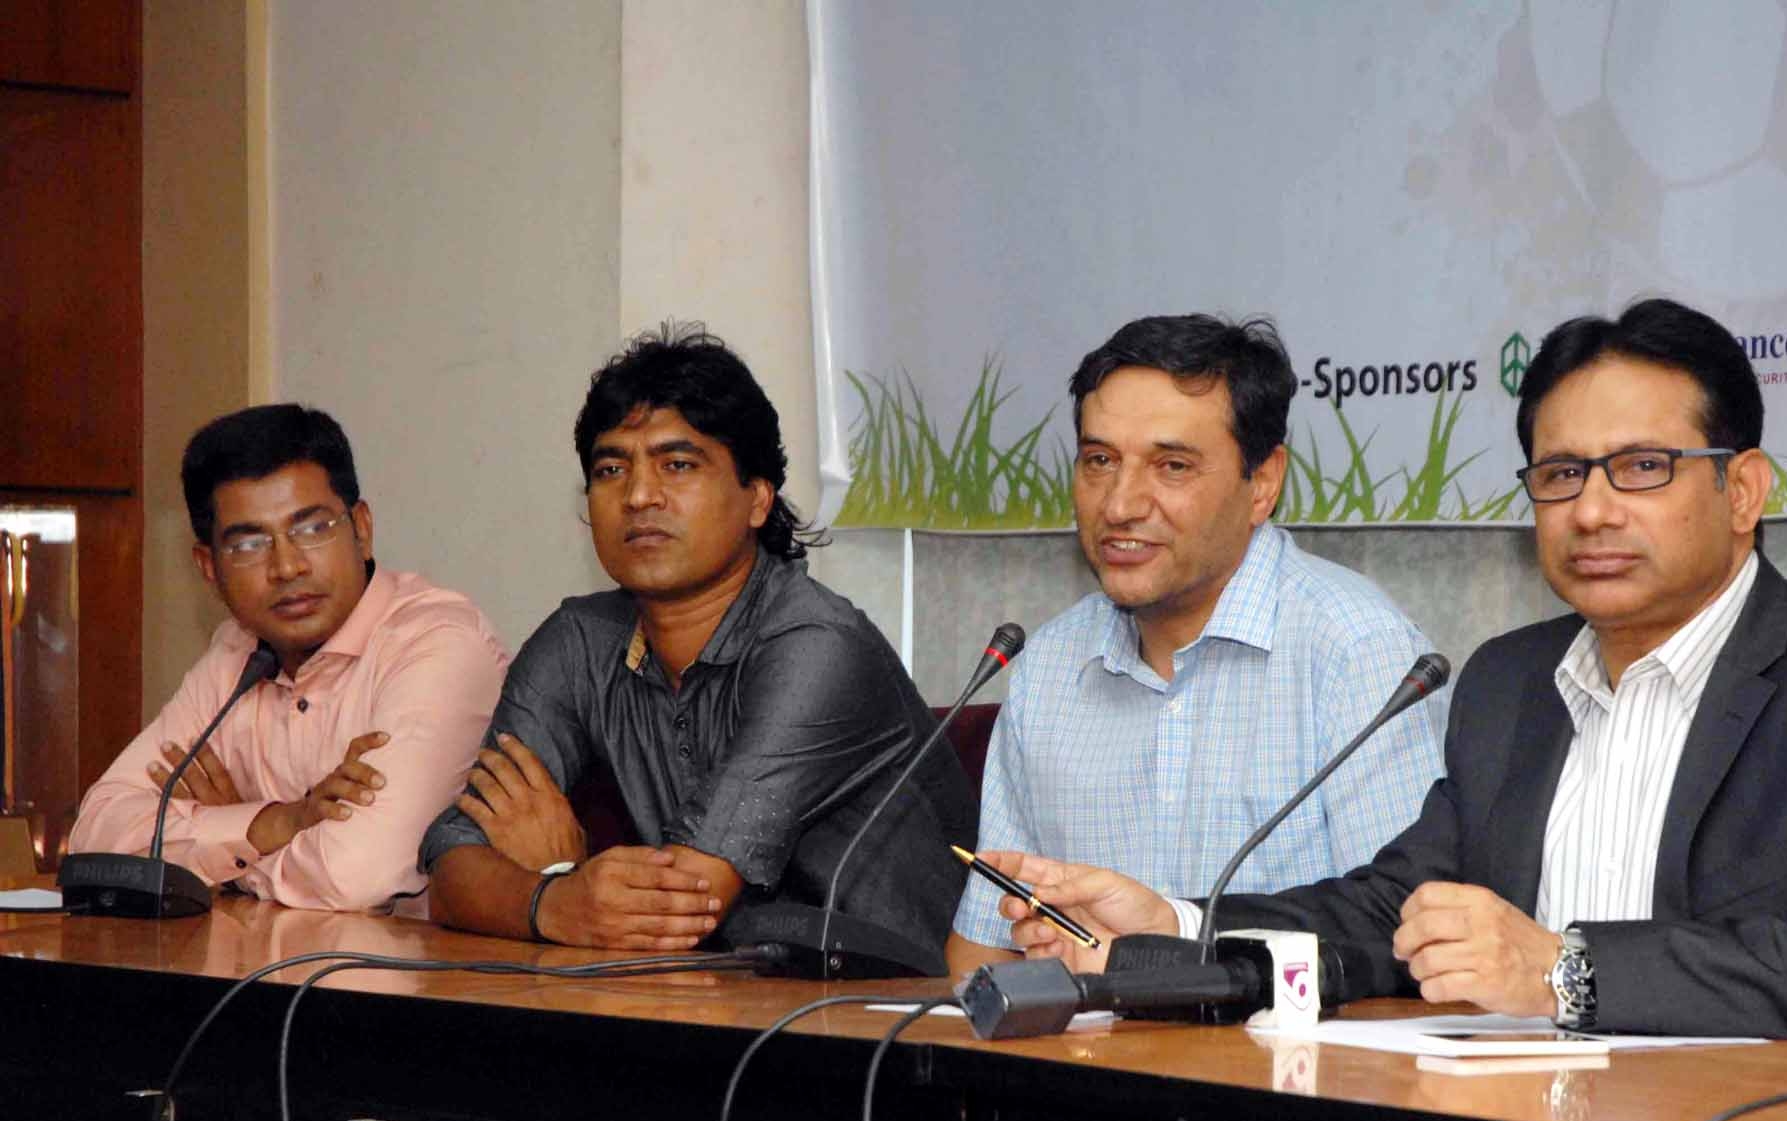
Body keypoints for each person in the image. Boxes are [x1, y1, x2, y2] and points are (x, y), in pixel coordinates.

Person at [985, 299, 1787, 1045]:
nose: (1592, 510)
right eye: (1560, 475)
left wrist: (1566, 971)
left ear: (1744, 489)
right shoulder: (1511, 681)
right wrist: (1179, 923)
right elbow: (1391, 913)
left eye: (1642, 468)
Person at [420, 324, 976, 954]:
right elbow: (449, 868)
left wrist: (555, 880)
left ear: (758, 498)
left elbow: (687, 904)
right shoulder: (580, 640)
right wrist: (553, 900)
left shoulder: (817, 645)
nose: (638, 496)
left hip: (893, 1014)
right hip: (710, 999)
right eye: (611, 468)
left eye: (678, 465)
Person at [947, 314, 1446, 973]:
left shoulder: (1356, 651)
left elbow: (1410, 932)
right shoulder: (1046, 667)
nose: (1121, 504)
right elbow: (984, 950)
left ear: (1262, 482)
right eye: (1099, 461)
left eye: (1171, 465)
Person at [72, 405, 509, 911]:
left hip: (418, 983)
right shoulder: (234, 657)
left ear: (361, 528)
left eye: (312, 529)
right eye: (250, 544)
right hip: (269, 974)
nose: (286, 566)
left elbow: (358, 875)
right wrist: (274, 823)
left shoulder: (437, 645)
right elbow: (96, 838)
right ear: (208, 567)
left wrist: (229, 860)